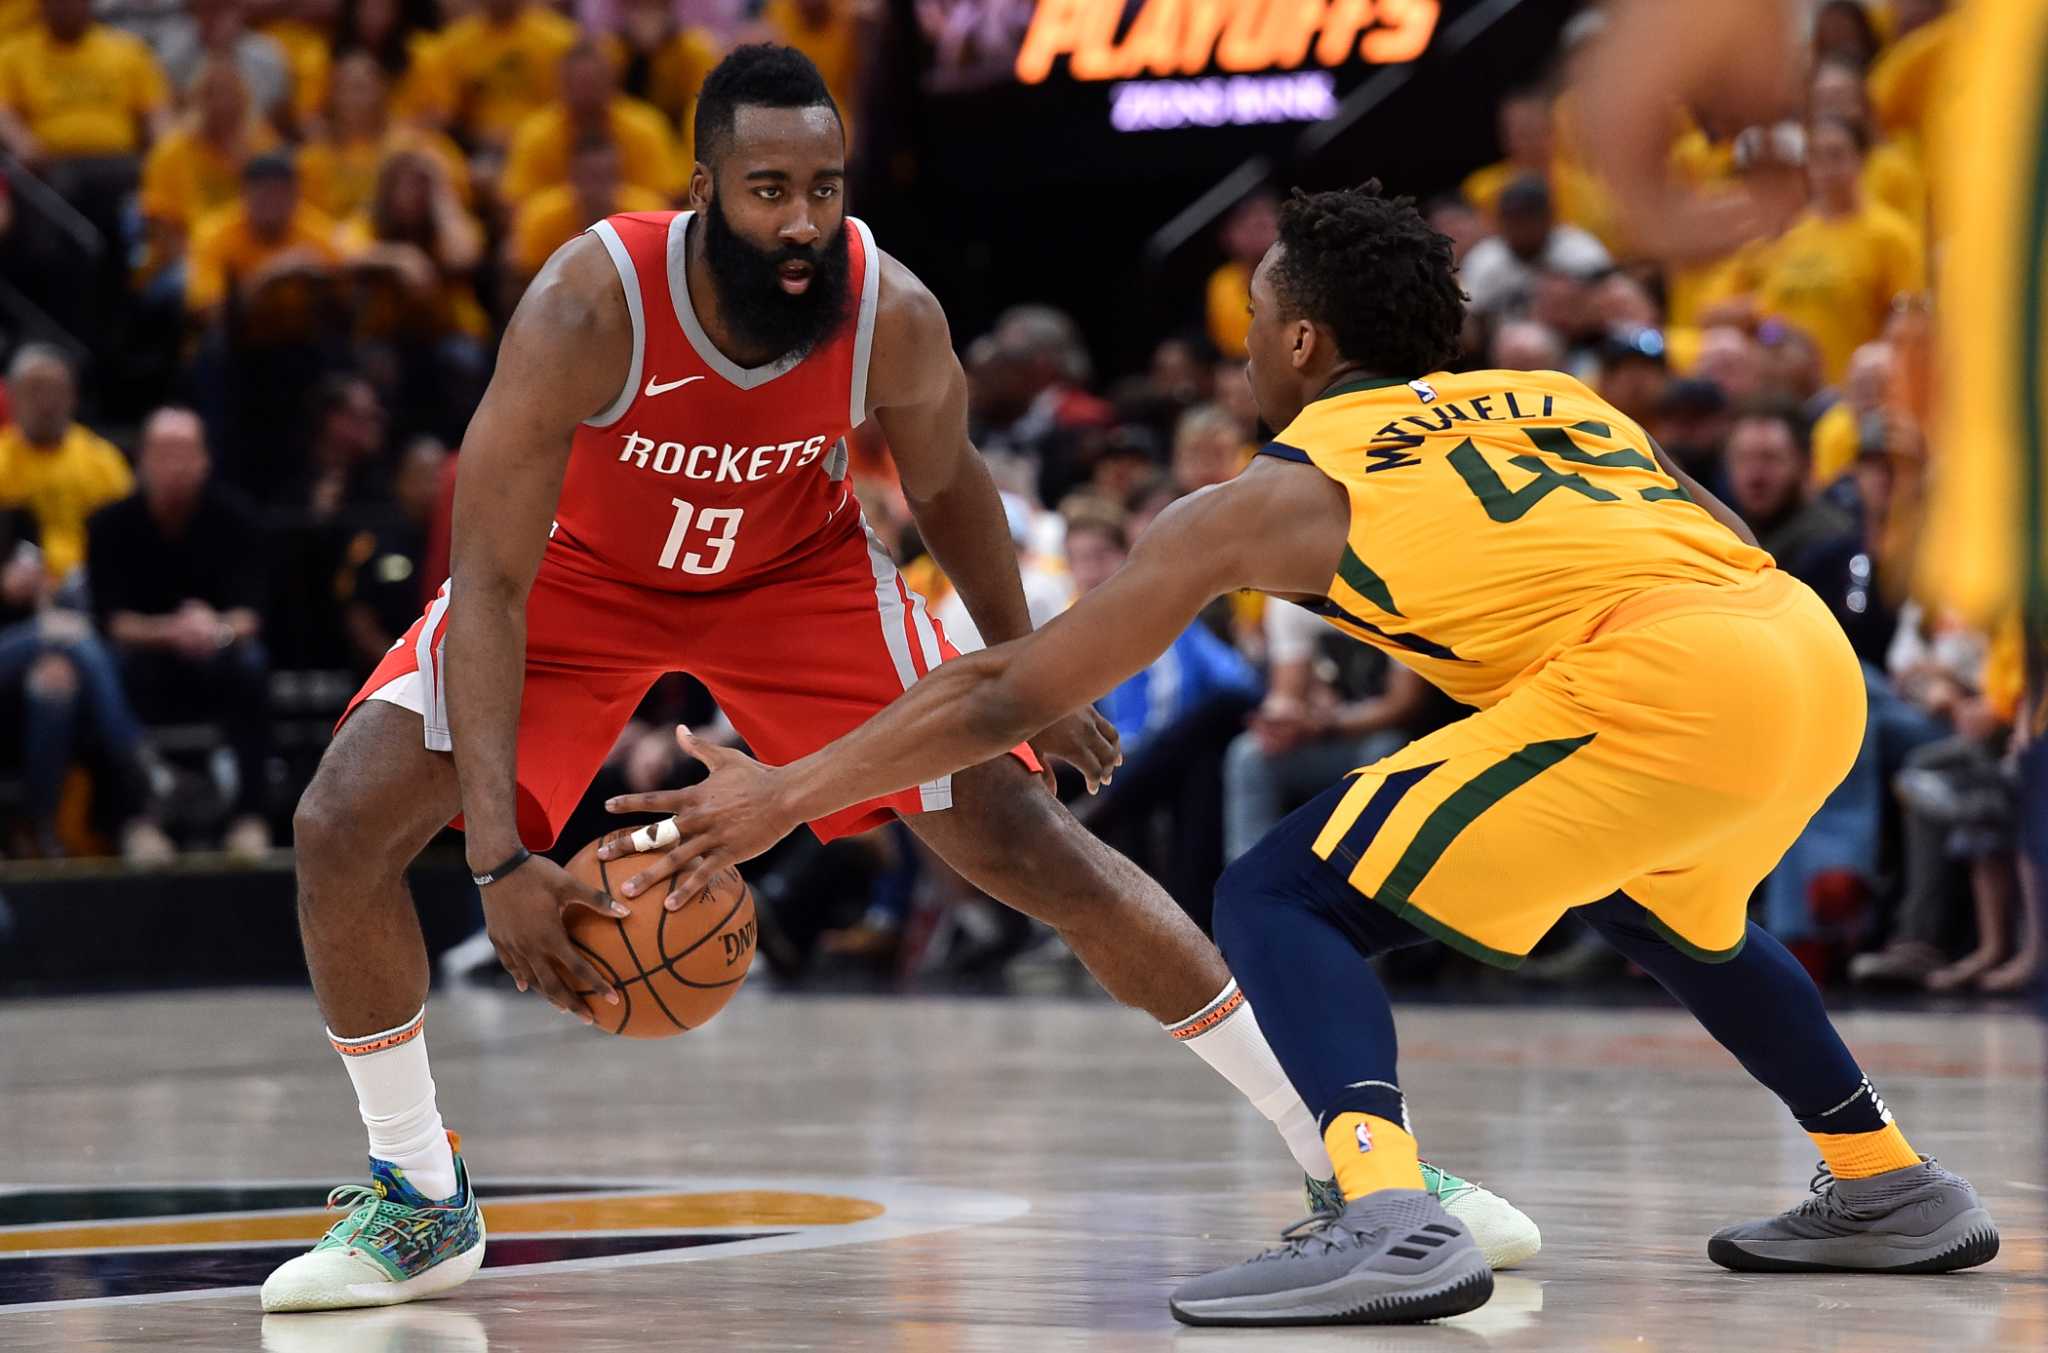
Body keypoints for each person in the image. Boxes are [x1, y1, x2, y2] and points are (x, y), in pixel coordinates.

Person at [258, 48, 1532, 1315]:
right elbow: (485, 579)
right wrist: (493, 861)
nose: (802, 220)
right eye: (767, 190)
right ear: (702, 187)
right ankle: (420, 1198)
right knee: (339, 825)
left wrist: (1031, 663)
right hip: (573, 579)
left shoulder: (888, 308)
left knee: (1027, 842)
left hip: (792, 572)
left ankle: (1363, 1172)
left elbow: (951, 490)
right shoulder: (587, 306)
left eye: (824, 186)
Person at [641, 185, 2000, 1325]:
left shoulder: (1280, 494)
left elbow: (1002, 689)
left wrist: (788, 789)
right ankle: (1884, 1175)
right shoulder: (1561, 399)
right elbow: (1711, 531)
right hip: (1802, 655)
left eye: (1249, 333)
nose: (1240, 362)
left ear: (1299, 339)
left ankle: (1389, 1215)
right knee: (1656, 904)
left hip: (1660, 678)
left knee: (1278, 895)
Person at [85, 408, 273, 857]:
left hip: (215, 650)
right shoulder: (109, 525)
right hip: (144, 654)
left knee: (253, 666)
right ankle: (134, 821)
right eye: (164, 454)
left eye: (185, 453)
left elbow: (252, 615)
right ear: (142, 460)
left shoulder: (236, 517)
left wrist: (215, 628)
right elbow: (113, 622)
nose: (175, 466)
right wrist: (171, 630)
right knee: (103, 677)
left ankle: (251, 816)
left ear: (205, 460)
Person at [500, 40, 684, 205]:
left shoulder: (645, 126)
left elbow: (666, 196)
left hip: (634, 229)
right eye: (578, 83)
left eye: (593, 82)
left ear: (612, 80)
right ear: (561, 84)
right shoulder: (536, 133)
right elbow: (518, 202)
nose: (586, 92)